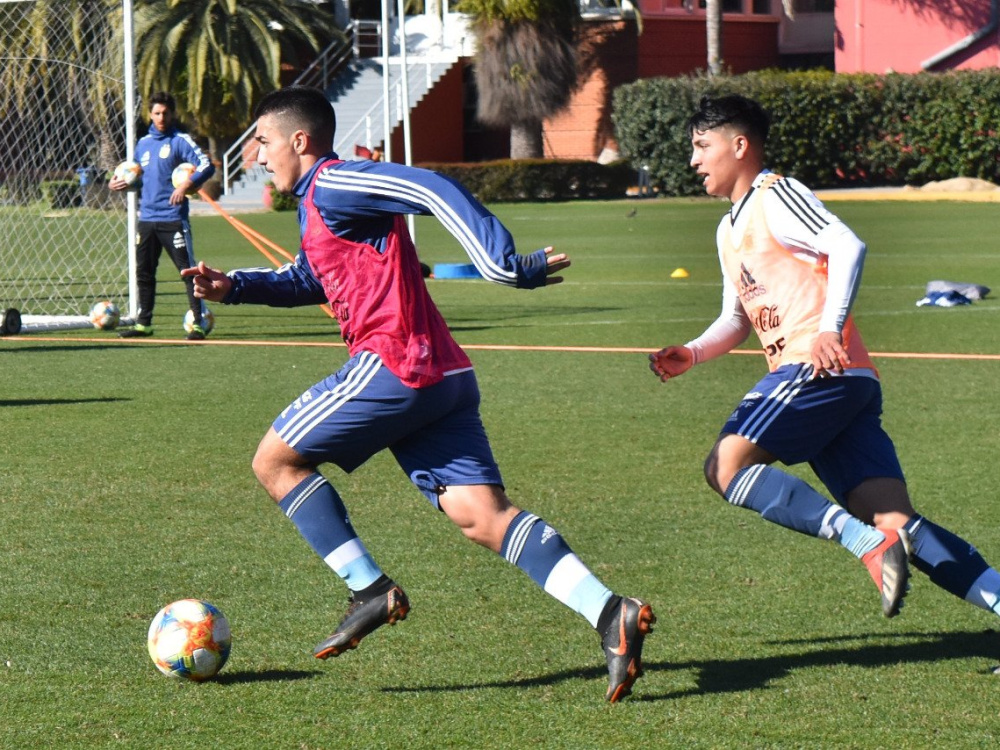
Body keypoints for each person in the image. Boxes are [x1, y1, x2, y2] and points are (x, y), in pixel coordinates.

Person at [181, 86, 655, 702]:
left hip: (396, 364)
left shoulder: (335, 183)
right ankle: (611, 612)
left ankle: (370, 589)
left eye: (264, 142)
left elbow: (429, 187)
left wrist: (502, 263)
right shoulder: (317, 202)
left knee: (274, 461)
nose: (260, 156)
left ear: (300, 140)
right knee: (482, 516)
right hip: (442, 376)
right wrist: (235, 287)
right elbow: (310, 277)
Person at [650, 93, 1000, 623]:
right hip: (841, 379)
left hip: (815, 369)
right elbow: (737, 318)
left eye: (702, 146)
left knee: (725, 466)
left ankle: (865, 544)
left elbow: (847, 244)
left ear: (739, 146)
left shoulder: (776, 194)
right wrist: (693, 353)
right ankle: (887, 543)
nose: (693, 159)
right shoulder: (727, 228)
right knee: (897, 521)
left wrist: (828, 329)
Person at [109, 92, 215, 340]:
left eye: (165, 113)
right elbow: (136, 176)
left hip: (173, 218)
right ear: (150, 114)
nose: (161, 118)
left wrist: (186, 185)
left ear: (173, 114)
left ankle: (198, 323)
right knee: (144, 272)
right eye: (157, 113)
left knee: (187, 271)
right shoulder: (143, 144)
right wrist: (119, 183)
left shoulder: (180, 141)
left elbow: (206, 165)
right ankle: (143, 323)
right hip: (147, 218)